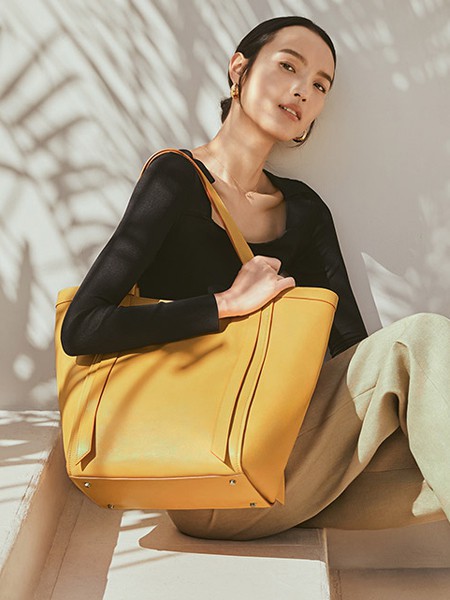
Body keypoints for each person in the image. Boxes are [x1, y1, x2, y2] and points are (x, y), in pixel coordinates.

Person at [61, 16, 450, 540]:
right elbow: (83, 326)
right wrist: (225, 304)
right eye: (289, 66)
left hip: (291, 466)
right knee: (420, 338)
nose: (303, 90)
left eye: (320, 85)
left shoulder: (305, 211)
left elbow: (352, 355)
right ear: (238, 69)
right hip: (203, 477)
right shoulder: (176, 179)